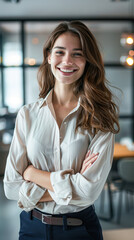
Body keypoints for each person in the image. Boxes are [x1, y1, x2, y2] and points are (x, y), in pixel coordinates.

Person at [4, 21, 120, 240]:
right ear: (49, 56)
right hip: (31, 228)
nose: (67, 61)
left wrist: (31, 174)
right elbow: (11, 187)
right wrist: (72, 182)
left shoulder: (100, 117)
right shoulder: (27, 115)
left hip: (80, 230)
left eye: (77, 54)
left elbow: (88, 192)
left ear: (88, 61)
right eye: (60, 52)